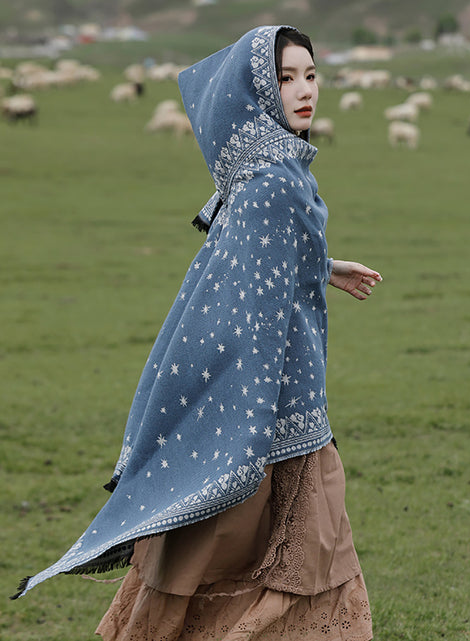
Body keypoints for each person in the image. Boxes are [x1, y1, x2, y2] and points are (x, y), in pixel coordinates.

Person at [13, 26, 381, 640]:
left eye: (310, 75)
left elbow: (246, 258)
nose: (304, 91)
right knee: (293, 558)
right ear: (258, 89)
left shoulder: (258, 171)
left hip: (268, 405)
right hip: (275, 410)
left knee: (218, 556)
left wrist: (324, 265)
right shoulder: (275, 181)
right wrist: (254, 417)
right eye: (285, 78)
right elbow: (247, 287)